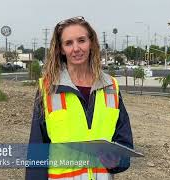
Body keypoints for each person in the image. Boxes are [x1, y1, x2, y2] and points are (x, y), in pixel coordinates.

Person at [25, 16, 133, 180]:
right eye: (68, 43)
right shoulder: (48, 89)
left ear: (91, 43)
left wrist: (117, 159)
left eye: (81, 40)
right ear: (61, 49)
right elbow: (37, 151)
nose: (76, 48)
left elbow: (124, 142)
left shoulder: (110, 87)